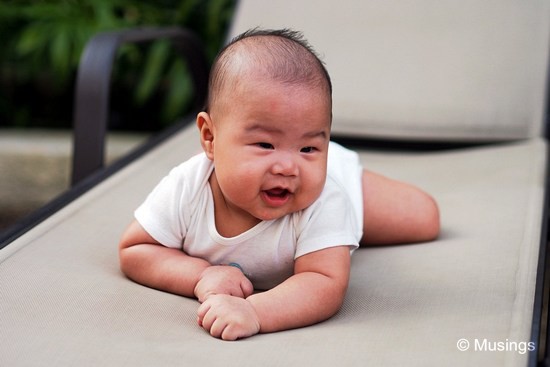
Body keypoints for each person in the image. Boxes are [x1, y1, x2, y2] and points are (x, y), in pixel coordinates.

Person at [118, 28, 440, 341]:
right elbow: (136, 249)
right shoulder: (188, 186)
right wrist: (201, 274)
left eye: (309, 147)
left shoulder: (325, 198)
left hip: (340, 182)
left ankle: (336, 234)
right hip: (315, 177)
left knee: (425, 218)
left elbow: (324, 282)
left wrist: (255, 311)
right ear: (210, 138)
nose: (287, 166)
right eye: (265, 145)